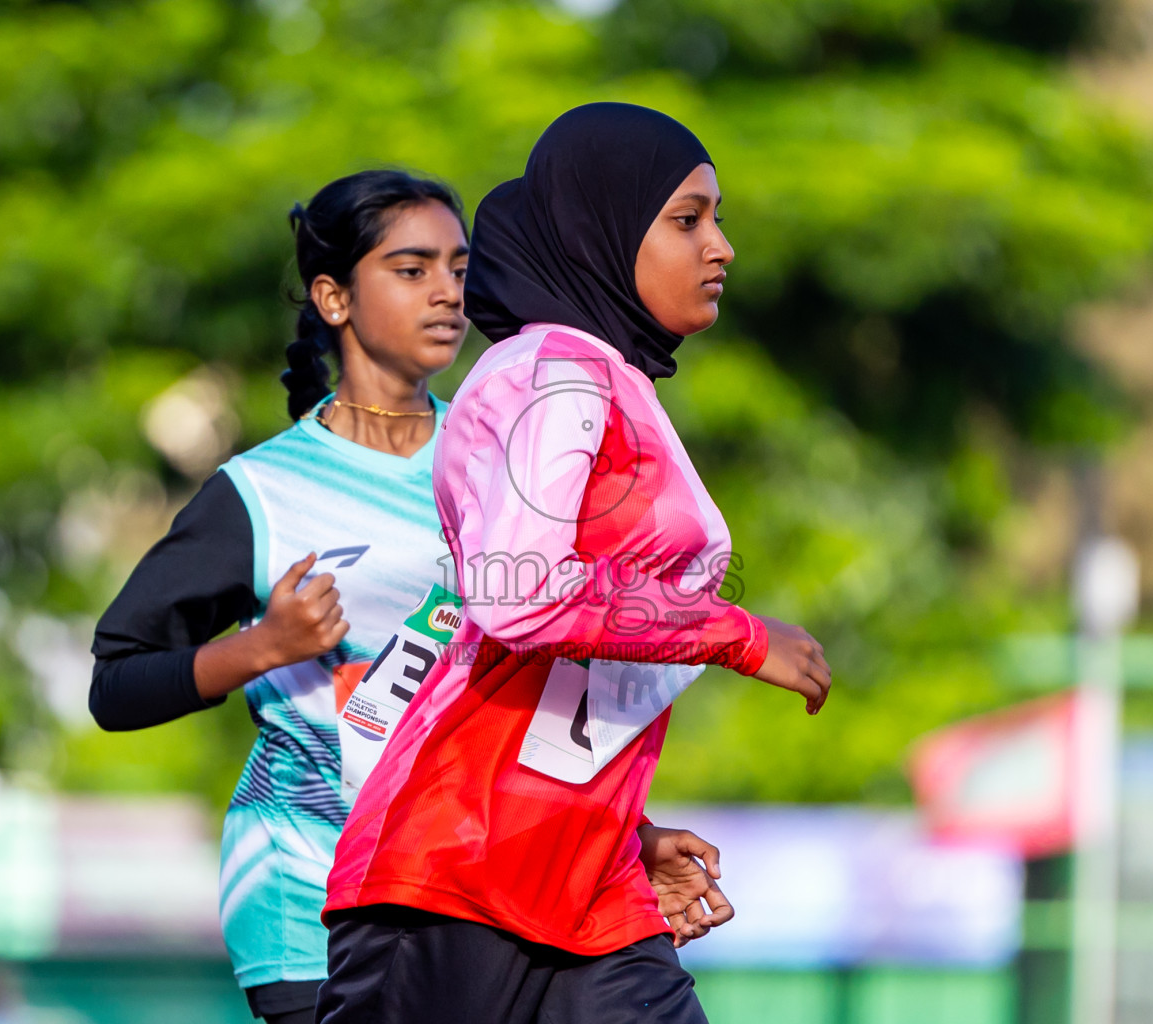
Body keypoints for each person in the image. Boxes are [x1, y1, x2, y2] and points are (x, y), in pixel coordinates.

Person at [89, 168, 733, 1024]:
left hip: (489, 886)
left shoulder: (517, 444)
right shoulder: (264, 492)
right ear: (333, 297)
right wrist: (263, 647)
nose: (446, 294)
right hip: (311, 892)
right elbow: (116, 684)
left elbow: (540, 686)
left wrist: (632, 832)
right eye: (411, 269)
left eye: (459, 269)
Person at [316, 105, 832, 1024]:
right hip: (453, 876)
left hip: (586, 887)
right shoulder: (551, 371)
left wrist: (627, 834)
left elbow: (558, 674)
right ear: (604, 233)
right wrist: (740, 635)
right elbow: (521, 599)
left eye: (717, 219)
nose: (720, 247)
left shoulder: (606, 381)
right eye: (686, 219)